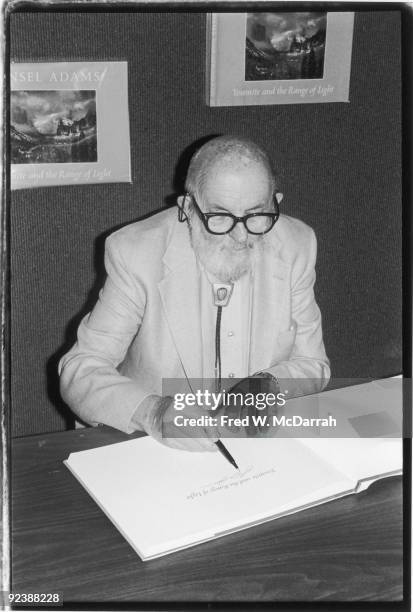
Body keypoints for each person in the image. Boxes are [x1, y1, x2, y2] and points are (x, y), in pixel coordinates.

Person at [59, 135, 330, 451]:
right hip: (155, 446)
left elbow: (313, 364)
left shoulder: (297, 244)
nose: (240, 235)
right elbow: (82, 368)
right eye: (219, 216)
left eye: (257, 213)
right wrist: (154, 412)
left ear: (276, 202)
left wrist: (269, 385)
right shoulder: (135, 252)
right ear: (188, 207)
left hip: (256, 445)